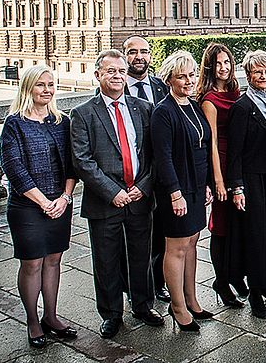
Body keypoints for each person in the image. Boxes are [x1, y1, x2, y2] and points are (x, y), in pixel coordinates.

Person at [70, 50, 162, 339]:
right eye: (110, 71)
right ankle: (111, 314)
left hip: (139, 197)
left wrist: (143, 187)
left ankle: (143, 305)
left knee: (141, 255)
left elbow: (153, 155)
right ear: (97, 75)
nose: (117, 76)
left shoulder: (143, 108)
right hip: (104, 200)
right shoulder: (83, 113)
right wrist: (113, 192)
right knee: (106, 260)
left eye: (121, 71)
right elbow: (82, 160)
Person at [0, 65, 77, 348]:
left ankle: (51, 317)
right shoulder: (14, 123)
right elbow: (14, 169)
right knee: (32, 263)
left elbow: (72, 165)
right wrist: (44, 202)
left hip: (59, 203)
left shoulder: (61, 121)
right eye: (41, 85)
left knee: (54, 260)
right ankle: (33, 321)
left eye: (51, 84)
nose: (47, 90)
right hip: (27, 206)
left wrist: (65, 198)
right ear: (28, 88)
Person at [150, 50, 214, 332]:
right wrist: (175, 193)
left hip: (197, 187)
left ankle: (191, 298)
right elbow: (162, 158)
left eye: (191, 75)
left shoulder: (193, 105)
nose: (188, 81)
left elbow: (203, 147)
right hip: (176, 189)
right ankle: (177, 306)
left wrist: (208, 185)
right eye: (182, 76)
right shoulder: (163, 112)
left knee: (191, 244)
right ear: (169, 80)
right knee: (176, 248)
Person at [225, 50, 266, 319]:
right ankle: (254, 296)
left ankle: (265, 285)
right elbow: (235, 153)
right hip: (251, 180)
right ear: (248, 75)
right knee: (255, 237)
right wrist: (237, 188)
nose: (264, 76)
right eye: (258, 72)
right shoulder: (242, 107)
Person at [122, 36, 171, 303]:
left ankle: (158, 282)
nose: (139, 57)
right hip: (131, 178)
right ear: (124, 55)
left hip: (159, 174)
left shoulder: (161, 86)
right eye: (132, 52)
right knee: (133, 240)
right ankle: (134, 289)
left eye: (144, 51)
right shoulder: (116, 87)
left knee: (161, 235)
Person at [197, 43, 246, 308]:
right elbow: (212, 142)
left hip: (238, 163)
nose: (223, 68)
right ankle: (221, 282)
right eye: (218, 63)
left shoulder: (235, 91)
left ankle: (235, 275)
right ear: (209, 67)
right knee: (221, 227)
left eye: (227, 62)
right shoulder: (209, 99)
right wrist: (218, 181)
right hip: (221, 163)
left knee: (237, 224)